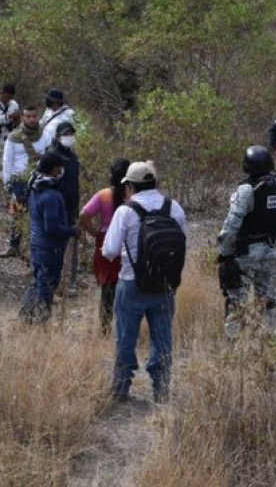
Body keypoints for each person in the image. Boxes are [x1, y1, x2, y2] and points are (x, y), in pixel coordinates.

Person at [102, 161, 187, 403]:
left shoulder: (126, 211)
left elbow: (110, 250)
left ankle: (120, 389)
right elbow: (182, 244)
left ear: (130, 186)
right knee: (162, 339)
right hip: (164, 285)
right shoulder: (175, 208)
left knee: (125, 338)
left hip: (131, 284)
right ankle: (161, 390)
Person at [217, 146, 276, 336]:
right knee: (269, 301)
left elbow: (232, 224)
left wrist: (224, 253)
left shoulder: (247, 190)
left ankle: (234, 342)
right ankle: (270, 341)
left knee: (236, 301)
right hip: (270, 251)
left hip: (245, 253)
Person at [19, 152, 78, 322]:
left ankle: (26, 316)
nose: (62, 170)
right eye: (60, 167)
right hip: (49, 247)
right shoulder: (51, 195)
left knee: (38, 281)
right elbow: (52, 227)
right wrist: (72, 230)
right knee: (46, 286)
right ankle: (40, 321)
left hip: (39, 244)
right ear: (54, 170)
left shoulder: (35, 186)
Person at [79, 158, 129, 334]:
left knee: (107, 288)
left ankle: (105, 328)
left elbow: (83, 215)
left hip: (105, 240)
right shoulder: (132, 196)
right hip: (127, 241)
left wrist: (94, 232)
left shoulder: (103, 195)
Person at [0, 106, 51, 258]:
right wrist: (7, 182)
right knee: (17, 214)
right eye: (28, 116)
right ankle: (13, 246)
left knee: (40, 214)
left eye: (34, 116)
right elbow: (7, 161)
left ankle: (38, 247)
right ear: (22, 117)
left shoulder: (45, 135)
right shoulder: (13, 137)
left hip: (40, 179)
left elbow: (50, 155)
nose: (31, 119)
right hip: (19, 181)